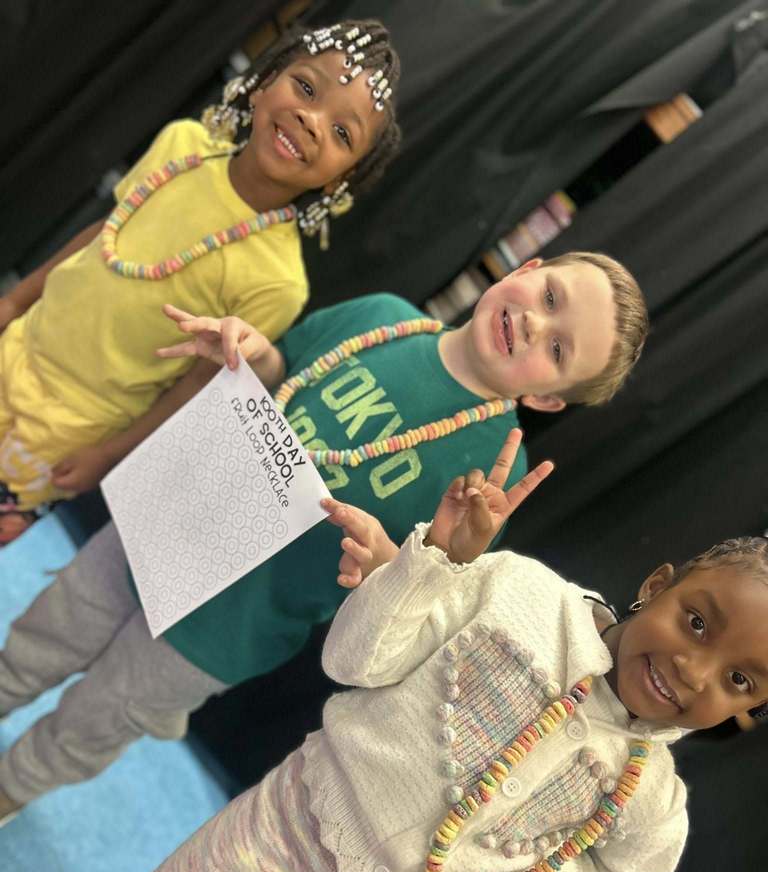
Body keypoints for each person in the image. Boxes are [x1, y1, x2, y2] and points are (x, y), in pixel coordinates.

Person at [2, 428, 767, 872]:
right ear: (657, 585)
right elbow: (355, 659)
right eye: (697, 622)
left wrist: (522, 865)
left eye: (738, 679)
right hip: (293, 824)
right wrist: (432, 561)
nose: (695, 673)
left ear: (747, 711)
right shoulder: (521, 592)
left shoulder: (651, 798)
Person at [0, 250, 648, 824]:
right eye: (551, 297)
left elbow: (407, 603)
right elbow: (289, 368)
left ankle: (8, 793)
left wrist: (391, 564)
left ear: (548, 401)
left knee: (97, 718)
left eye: (558, 350)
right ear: (527, 270)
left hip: (232, 625)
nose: (536, 322)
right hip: (173, 519)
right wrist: (257, 355)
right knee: (43, 633)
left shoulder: (485, 483)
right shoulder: (383, 315)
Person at [0, 19, 402, 542]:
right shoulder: (180, 146)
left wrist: (107, 454)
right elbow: (103, 234)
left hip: (68, 427)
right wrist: (13, 300)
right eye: (305, 87)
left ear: (340, 180)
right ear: (263, 82)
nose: (310, 118)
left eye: (342, 132)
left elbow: (194, 383)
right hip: (17, 344)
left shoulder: (277, 282)